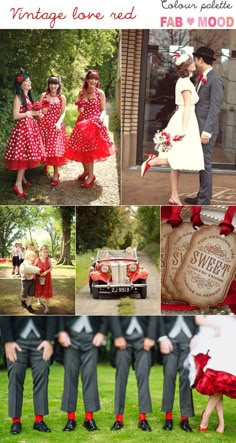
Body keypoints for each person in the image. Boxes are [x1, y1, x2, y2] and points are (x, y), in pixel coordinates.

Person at [141, 52, 204, 205]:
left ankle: (174, 196)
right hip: (185, 120)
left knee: (177, 162)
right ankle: (153, 161)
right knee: (178, 158)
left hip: (182, 117)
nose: (194, 62)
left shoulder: (183, 81)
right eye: (191, 61)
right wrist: (183, 129)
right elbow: (188, 106)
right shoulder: (186, 83)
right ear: (188, 66)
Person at [1, 316, 56, 435]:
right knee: (15, 375)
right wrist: (7, 340)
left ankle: (39, 421)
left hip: (41, 340)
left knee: (42, 373)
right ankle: (15, 421)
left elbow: (52, 316)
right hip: (16, 340)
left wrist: (50, 340)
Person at [185, 47, 224, 205]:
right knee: (201, 164)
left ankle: (204, 200)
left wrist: (207, 131)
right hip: (199, 128)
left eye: (195, 59)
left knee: (205, 164)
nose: (194, 62)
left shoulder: (215, 79)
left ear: (201, 59)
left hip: (207, 130)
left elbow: (215, 107)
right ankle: (202, 195)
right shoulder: (201, 78)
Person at [66, 69, 117, 188]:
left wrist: (101, 118)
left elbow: (103, 110)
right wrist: (80, 108)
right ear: (87, 80)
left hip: (94, 124)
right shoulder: (82, 93)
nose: (93, 81)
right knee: (81, 149)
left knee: (89, 151)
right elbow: (79, 110)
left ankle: (91, 176)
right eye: (91, 79)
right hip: (82, 124)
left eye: (96, 79)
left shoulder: (100, 93)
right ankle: (86, 172)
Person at [58, 316, 107, 432]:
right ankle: (71, 419)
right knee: (70, 377)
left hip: (92, 337)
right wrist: (61, 331)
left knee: (90, 377)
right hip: (70, 336)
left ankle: (89, 419)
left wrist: (102, 332)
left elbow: (104, 315)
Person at [109, 316, 157, 432]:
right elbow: (112, 315)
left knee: (143, 379)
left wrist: (151, 336)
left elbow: (153, 317)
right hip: (122, 340)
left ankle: (143, 419)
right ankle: (119, 418)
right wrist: (118, 335)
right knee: (120, 380)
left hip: (144, 341)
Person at [190, 315, 236, 433]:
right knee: (218, 381)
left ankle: (211, 418)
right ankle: (212, 419)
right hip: (214, 341)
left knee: (221, 383)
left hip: (231, 341)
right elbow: (198, 319)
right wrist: (217, 326)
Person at [4, 73, 44, 197]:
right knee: (23, 155)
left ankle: (22, 179)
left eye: (30, 80)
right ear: (21, 84)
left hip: (30, 128)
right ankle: (17, 183)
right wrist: (30, 113)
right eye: (27, 81)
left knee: (27, 154)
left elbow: (30, 113)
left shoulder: (27, 97)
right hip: (22, 129)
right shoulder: (18, 97)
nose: (30, 82)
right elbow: (16, 115)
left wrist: (37, 114)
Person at [159, 316, 198, 432]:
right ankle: (168, 417)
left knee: (186, 379)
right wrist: (162, 337)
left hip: (189, 341)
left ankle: (184, 419)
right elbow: (158, 318)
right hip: (169, 340)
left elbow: (200, 318)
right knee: (169, 377)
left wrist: (196, 336)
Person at [38, 76, 67, 186]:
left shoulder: (61, 97)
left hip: (56, 125)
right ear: (48, 84)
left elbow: (63, 112)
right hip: (44, 124)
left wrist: (59, 123)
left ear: (59, 85)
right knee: (44, 146)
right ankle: (45, 165)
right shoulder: (43, 95)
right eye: (51, 83)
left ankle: (56, 173)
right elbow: (38, 109)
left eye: (55, 84)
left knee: (54, 149)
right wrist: (41, 112)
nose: (53, 86)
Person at [19, 249, 40, 313]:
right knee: (24, 294)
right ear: (28, 256)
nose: (34, 257)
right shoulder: (23, 264)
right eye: (33, 256)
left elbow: (34, 271)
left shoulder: (32, 264)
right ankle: (23, 301)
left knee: (31, 294)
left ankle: (29, 306)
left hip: (32, 280)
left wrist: (35, 272)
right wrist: (29, 273)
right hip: (25, 281)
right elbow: (23, 273)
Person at [34, 245, 53, 314]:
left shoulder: (48, 259)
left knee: (46, 291)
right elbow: (34, 268)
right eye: (44, 252)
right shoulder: (38, 259)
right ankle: (38, 300)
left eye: (47, 252)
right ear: (41, 252)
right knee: (39, 289)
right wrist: (38, 273)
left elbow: (51, 268)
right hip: (39, 276)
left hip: (47, 277)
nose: (45, 253)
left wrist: (46, 271)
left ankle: (47, 307)